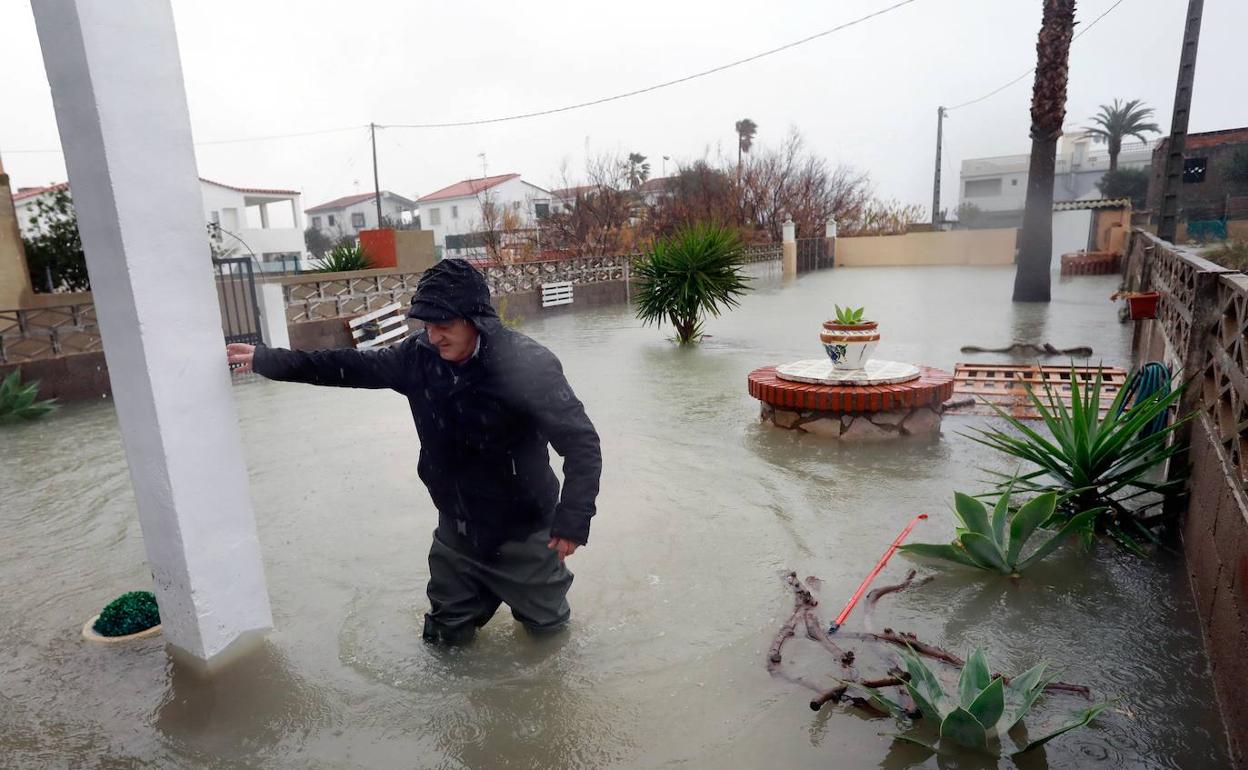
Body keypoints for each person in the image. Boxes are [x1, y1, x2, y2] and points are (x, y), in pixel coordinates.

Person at [226, 259, 601, 643]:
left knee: (549, 642)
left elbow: (581, 442)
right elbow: (348, 365)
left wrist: (572, 521)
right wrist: (266, 360)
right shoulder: (417, 358)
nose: (434, 336)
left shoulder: (528, 365)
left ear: (475, 320)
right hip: (456, 534)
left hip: (525, 534)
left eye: (444, 325)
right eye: (427, 325)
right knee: (443, 642)